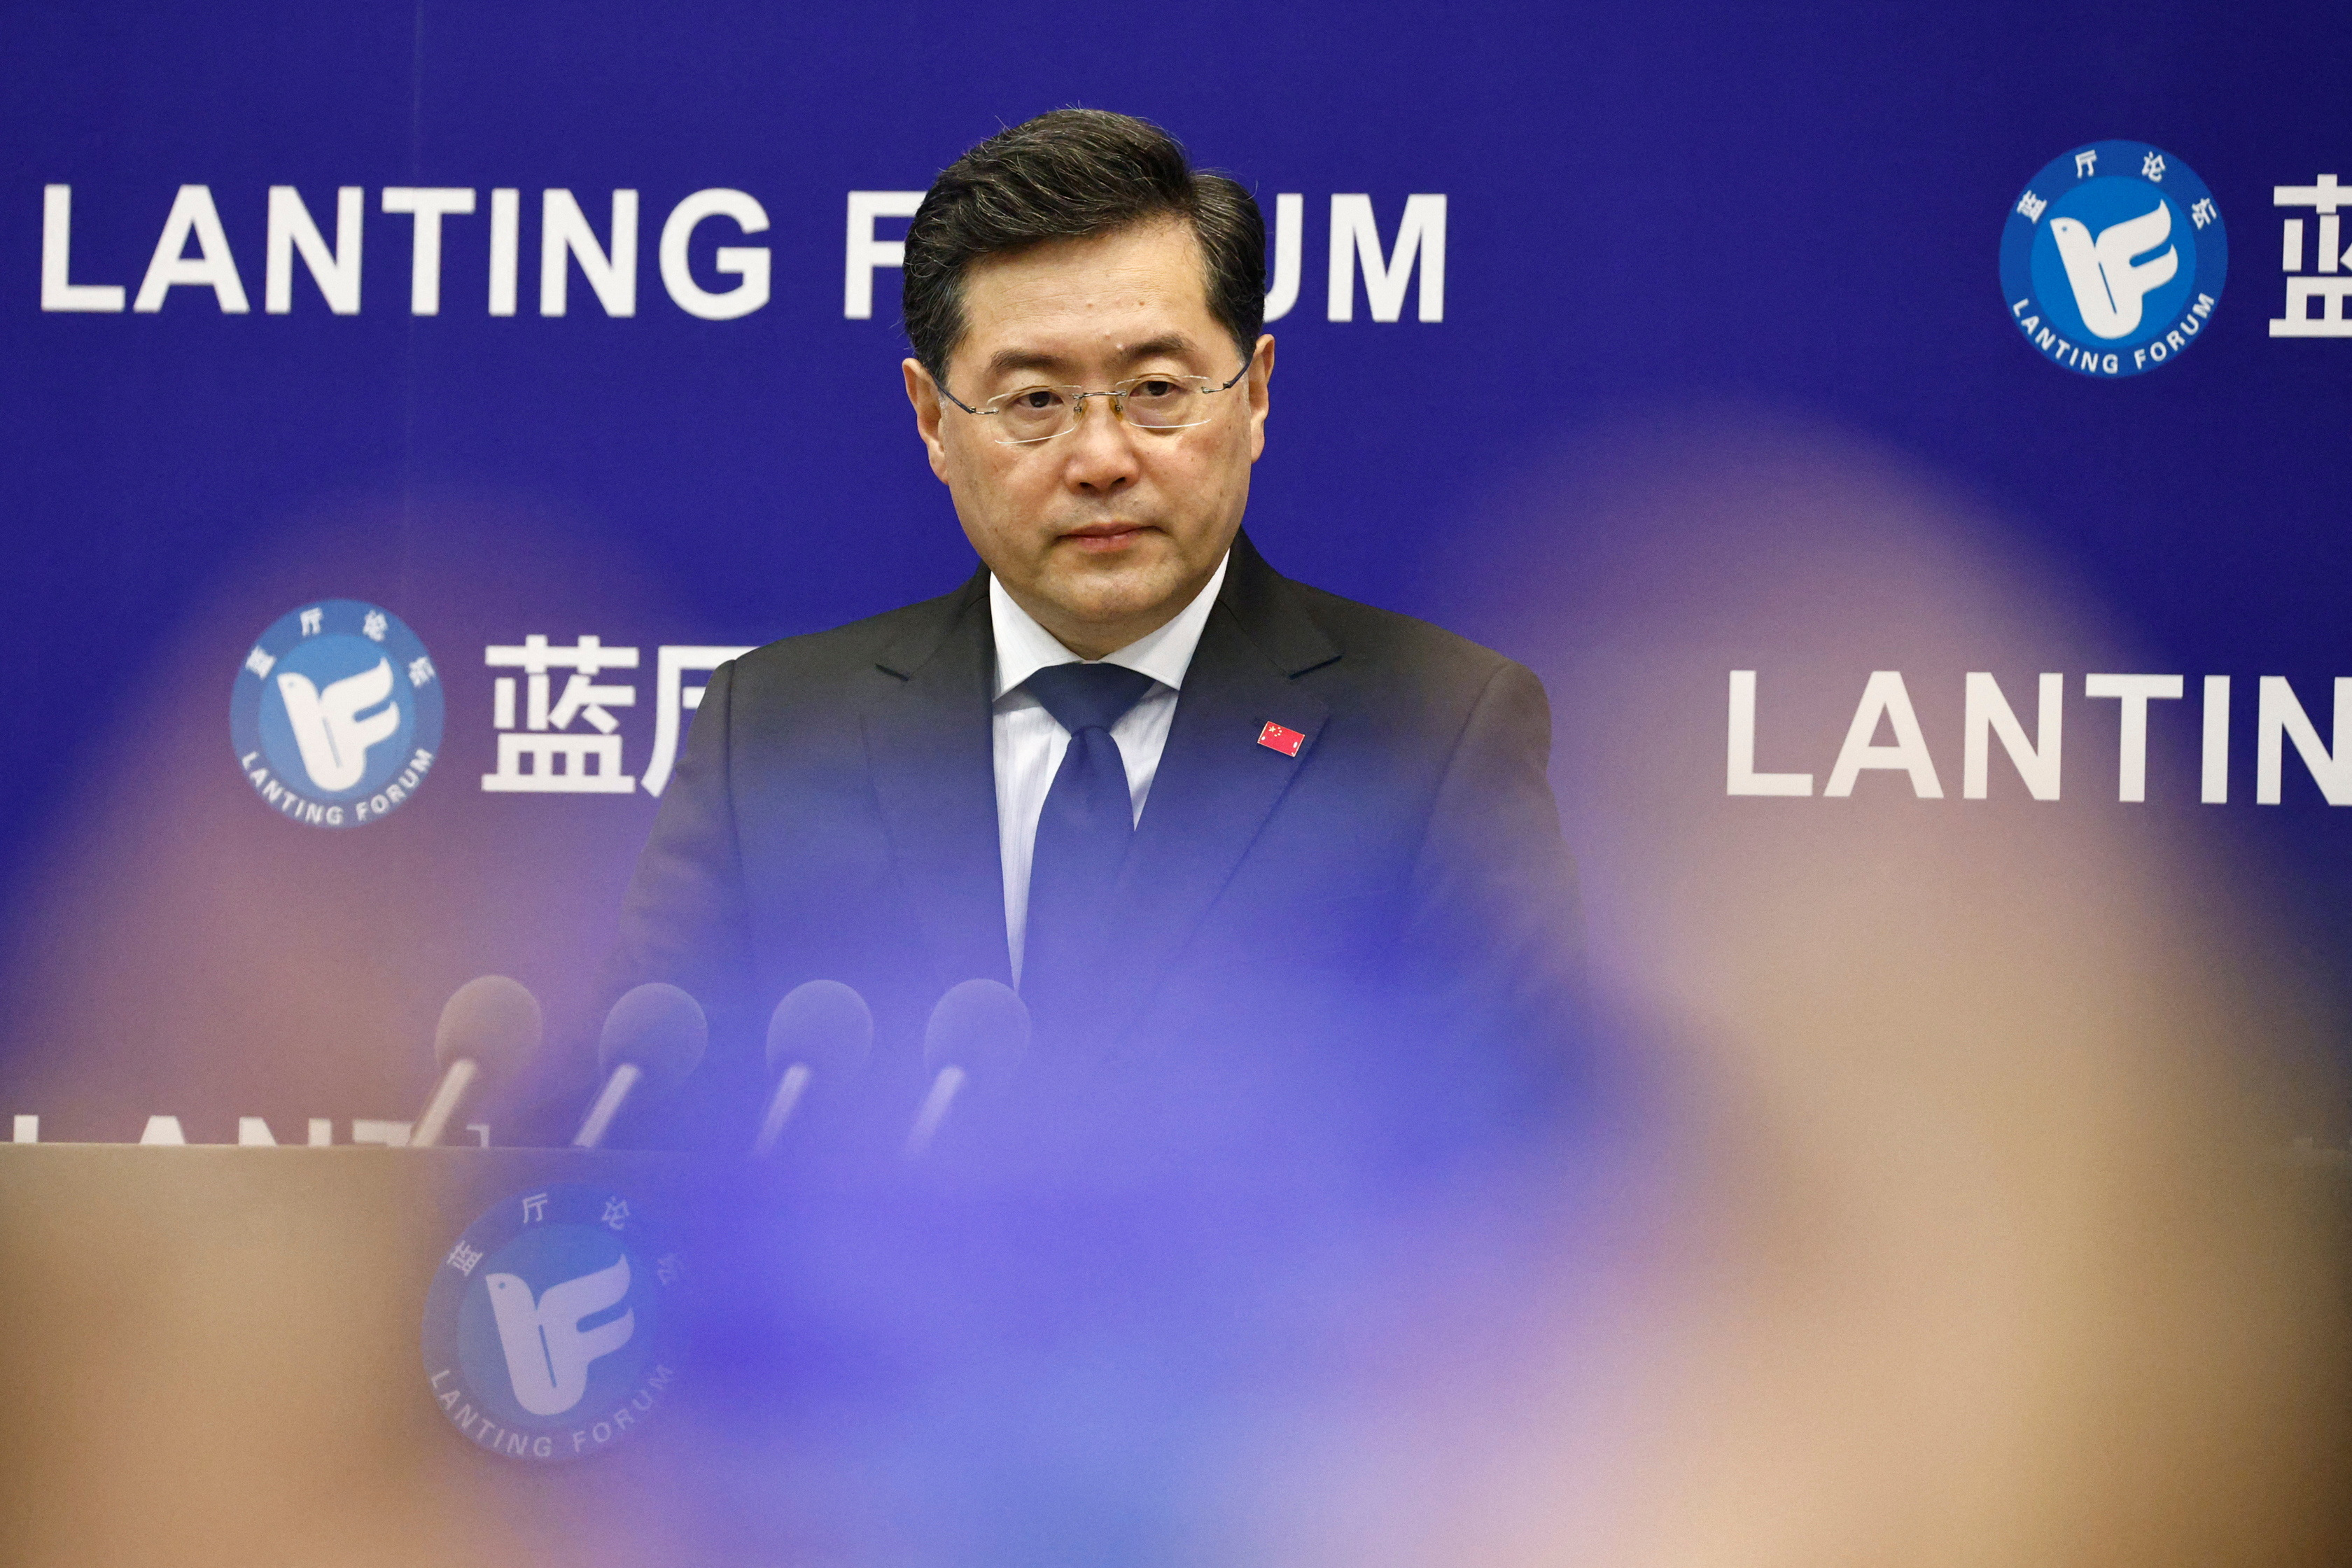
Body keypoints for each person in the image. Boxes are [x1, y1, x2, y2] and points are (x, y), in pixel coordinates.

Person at [613, 109, 1581, 1181]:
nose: (1102, 457)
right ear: (933, 420)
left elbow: (1525, 1170)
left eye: (1158, 391)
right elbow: (656, 1135)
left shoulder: (1434, 731)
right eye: (1034, 401)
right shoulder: (775, 733)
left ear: (1255, 393)